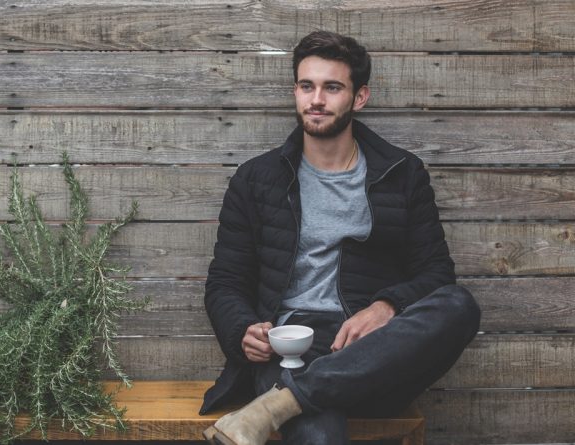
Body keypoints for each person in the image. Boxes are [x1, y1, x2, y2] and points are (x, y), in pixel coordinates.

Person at [200, 31, 481, 445]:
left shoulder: (402, 173)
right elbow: (225, 281)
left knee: (460, 305)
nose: (316, 99)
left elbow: (437, 273)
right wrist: (242, 330)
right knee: (320, 435)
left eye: (332, 87)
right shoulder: (256, 179)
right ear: (295, 91)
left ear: (359, 97)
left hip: (372, 356)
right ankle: (292, 397)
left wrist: (386, 307)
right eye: (306, 86)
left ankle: (279, 405)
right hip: (291, 352)